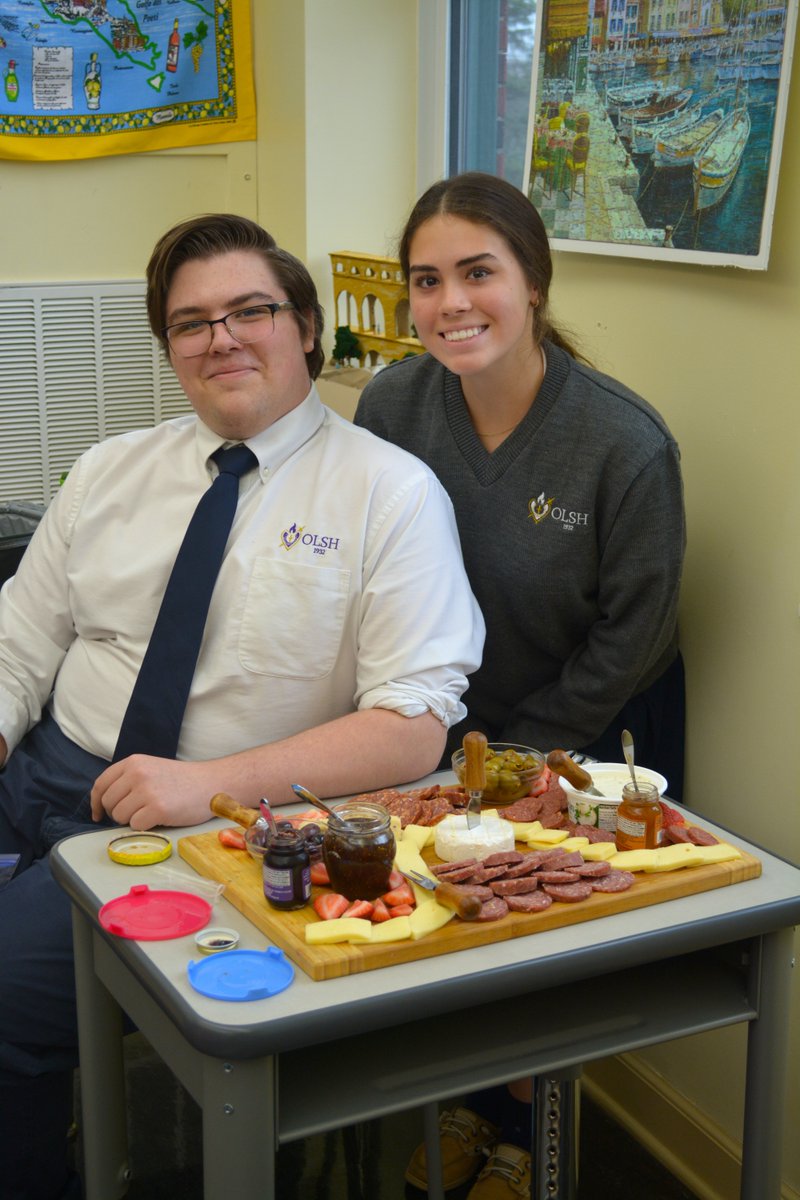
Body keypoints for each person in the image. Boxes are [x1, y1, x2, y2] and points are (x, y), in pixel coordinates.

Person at [0, 213, 484, 1200]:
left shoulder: (389, 495)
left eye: (248, 311)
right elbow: (20, 639)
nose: (219, 337)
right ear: (170, 348)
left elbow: (410, 728)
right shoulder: (109, 471)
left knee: (5, 994)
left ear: (304, 327)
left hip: (212, 824)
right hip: (47, 767)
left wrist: (206, 787)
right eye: (189, 322)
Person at [354, 172, 686, 1197]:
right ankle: (462, 1102)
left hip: (590, 730)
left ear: (532, 282)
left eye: (476, 272)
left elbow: (631, 635)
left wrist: (509, 764)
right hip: (451, 722)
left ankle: (524, 1135)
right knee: (450, 920)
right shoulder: (391, 403)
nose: (449, 302)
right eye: (425, 280)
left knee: (543, 940)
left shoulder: (623, 444)